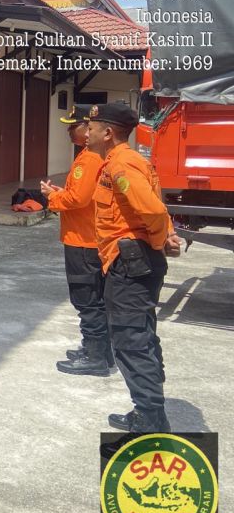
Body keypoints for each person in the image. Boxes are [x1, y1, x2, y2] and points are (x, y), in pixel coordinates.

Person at [86, 102, 182, 433]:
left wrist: (159, 241)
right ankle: (149, 409)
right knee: (140, 334)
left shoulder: (121, 166)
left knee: (130, 339)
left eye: (92, 128)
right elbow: (157, 209)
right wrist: (165, 237)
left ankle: (151, 419)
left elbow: (153, 211)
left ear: (108, 133)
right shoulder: (129, 161)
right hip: (136, 259)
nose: (87, 133)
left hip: (132, 262)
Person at [39, 105, 113, 377]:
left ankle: (95, 357)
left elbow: (77, 200)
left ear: (88, 128)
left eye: (74, 126)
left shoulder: (90, 159)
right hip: (87, 237)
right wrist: (62, 192)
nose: (69, 130)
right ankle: (100, 351)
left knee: (87, 298)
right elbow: (81, 194)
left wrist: (52, 198)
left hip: (83, 240)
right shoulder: (90, 156)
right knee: (94, 297)